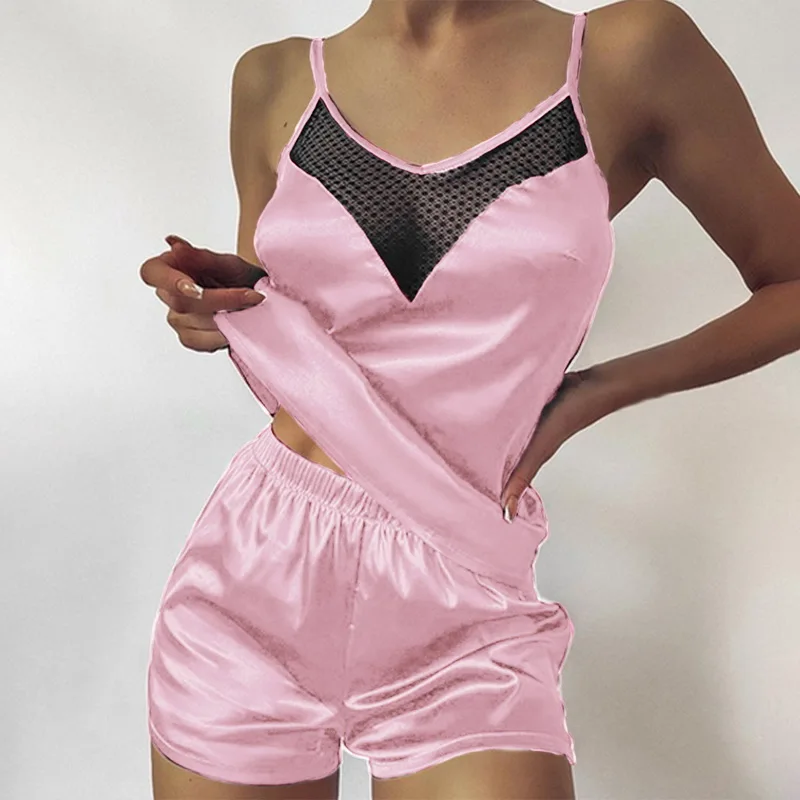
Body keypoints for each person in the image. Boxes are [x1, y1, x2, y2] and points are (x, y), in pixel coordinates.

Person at [139, 1, 800, 798]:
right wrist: (221, 301)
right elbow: (302, 329)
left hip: (463, 599)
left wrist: (595, 391)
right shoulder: (273, 79)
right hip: (251, 577)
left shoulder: (623, 54)